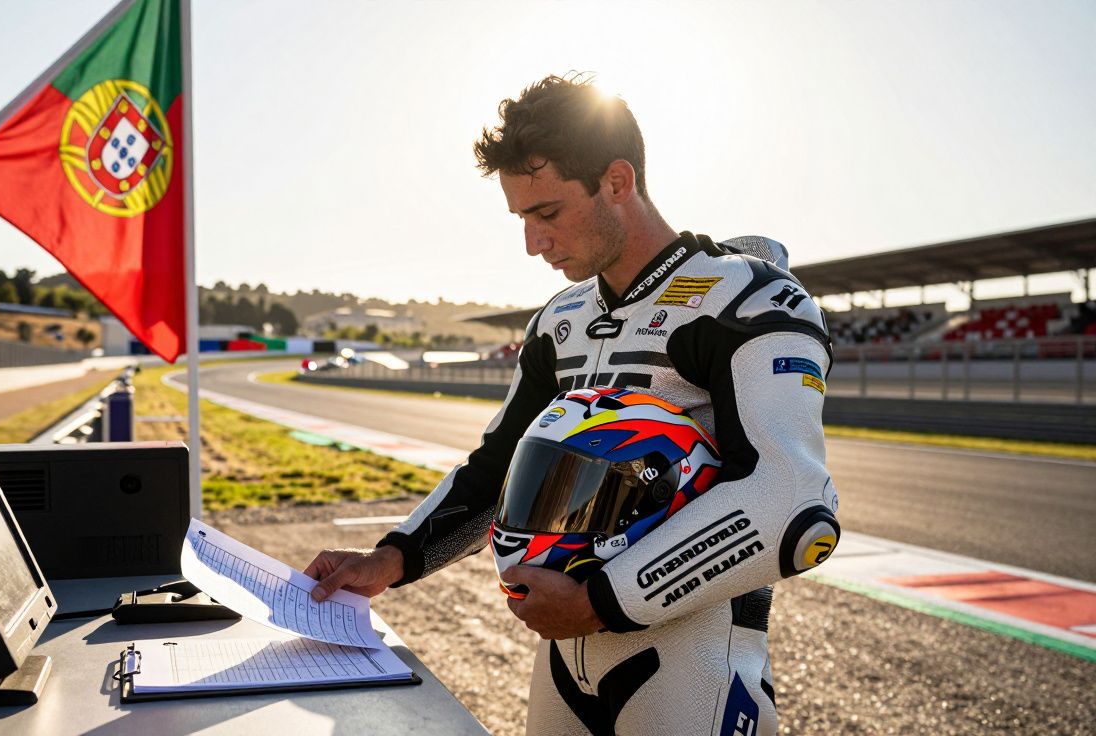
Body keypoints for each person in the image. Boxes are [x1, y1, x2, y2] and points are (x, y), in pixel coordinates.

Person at [304, 74, 839, 735]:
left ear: (617, 181)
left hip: (689, 658)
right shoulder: (560, 320)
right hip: (561, 657)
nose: (533, 242)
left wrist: (600, 602)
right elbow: (493, 471)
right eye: (522, 218)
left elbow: (793, 499)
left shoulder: (745, 300)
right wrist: (390, 559)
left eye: (548, 213)